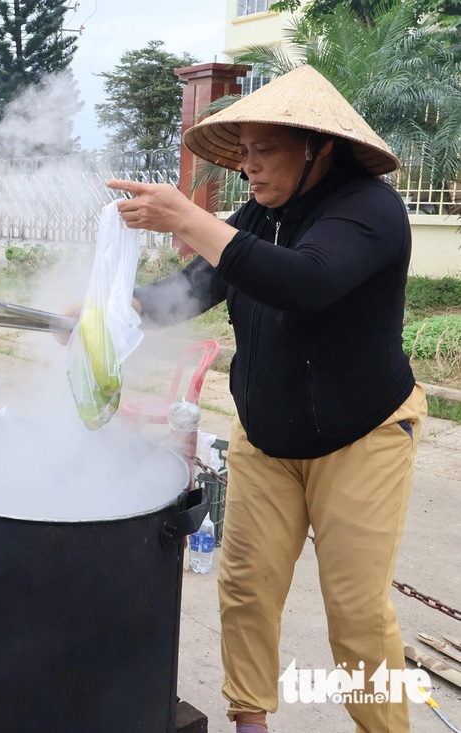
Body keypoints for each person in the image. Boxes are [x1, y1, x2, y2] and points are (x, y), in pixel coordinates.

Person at [106, 65, 425, 733]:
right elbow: (190, 291)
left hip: (362, 434)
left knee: (358, 611)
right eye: (243, 151)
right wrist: (107, 310)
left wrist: (190, 218)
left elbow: (305, 282)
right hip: (267, 436)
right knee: (247, 587)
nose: (249, 167)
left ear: (319, 148)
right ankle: (251, 723)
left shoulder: (369, 210)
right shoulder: (259, 211)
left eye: (265, 150)